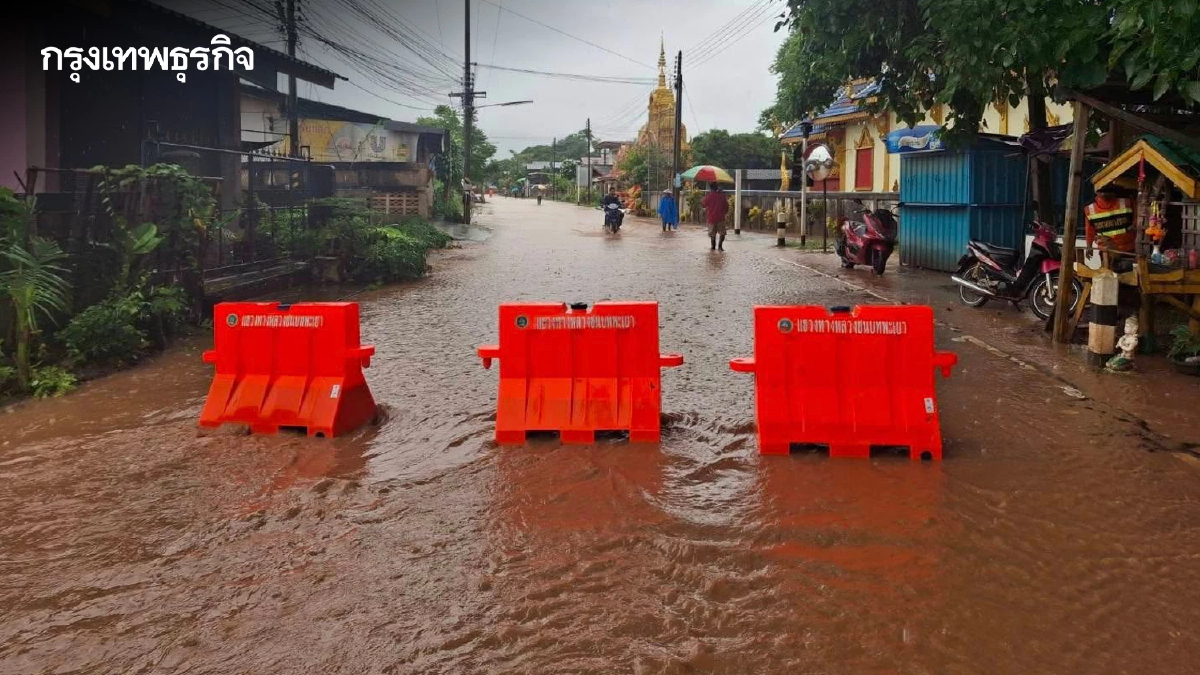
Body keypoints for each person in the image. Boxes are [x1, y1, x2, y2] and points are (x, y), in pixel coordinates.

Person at [1085, 187, 1136, 269]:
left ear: (1114, 192)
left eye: (1107, 191)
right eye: (1101, 191)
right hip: (1106, 251)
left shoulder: (1127, 203)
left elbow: (1137, 222)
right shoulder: (1090, 209)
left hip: (1128, 249)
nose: (1104, 194)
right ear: (1096, 192)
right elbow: (1089, 230)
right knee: (1109, 276)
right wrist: (1089, 246)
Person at [701, 183, 729, 251]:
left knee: (712, 234)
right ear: (717, 188)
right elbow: (727, 206)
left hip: (711, 218)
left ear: (710, 188)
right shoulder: (722, 196)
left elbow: (703, 204)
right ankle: (720, 246)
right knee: (722, 233)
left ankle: (713, 247)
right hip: (720, 218)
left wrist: (704, 198)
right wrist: (724, 213)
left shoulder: (709, 196)